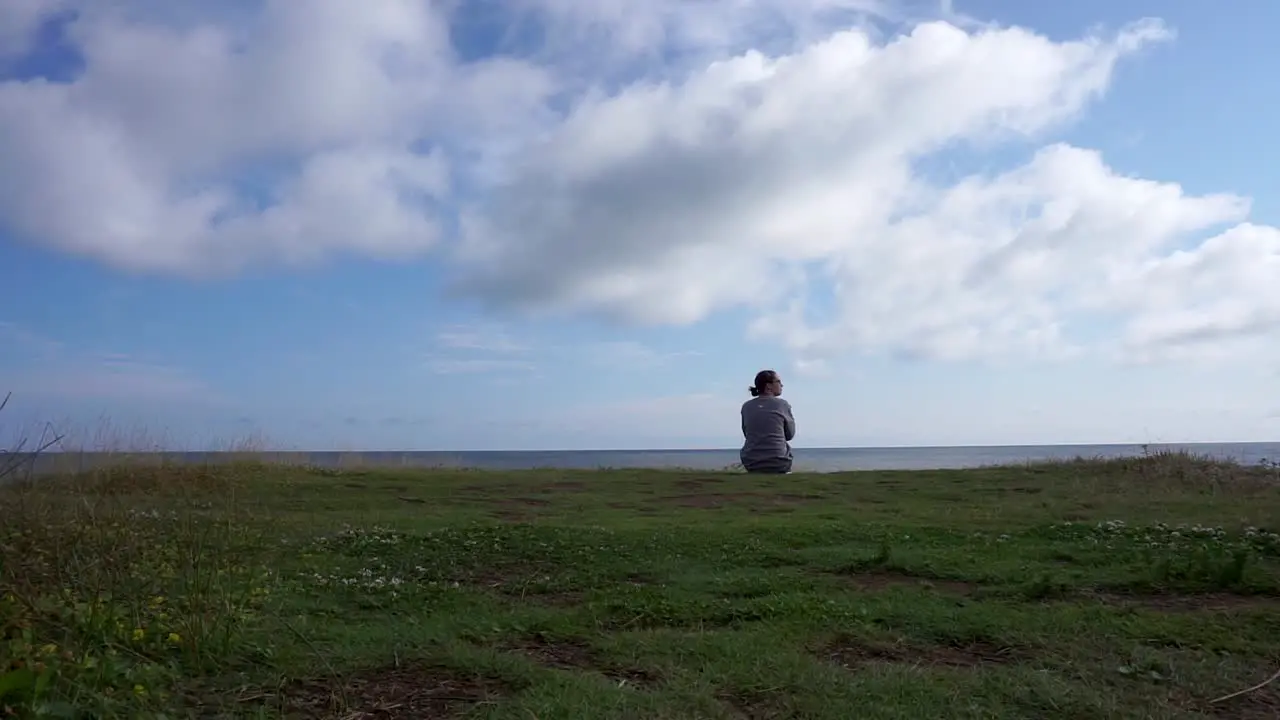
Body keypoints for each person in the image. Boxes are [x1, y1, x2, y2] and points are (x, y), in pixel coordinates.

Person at [740, 369, 796, 474]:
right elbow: (789, 435)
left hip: (751, 463)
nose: (782, 385)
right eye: (778, 382)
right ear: (768, 386)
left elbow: (747, 433)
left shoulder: (746, 406)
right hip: (779, 462)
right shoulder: (782, 405)